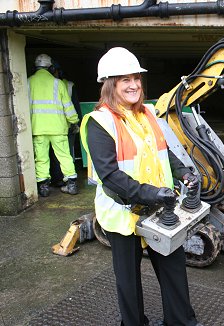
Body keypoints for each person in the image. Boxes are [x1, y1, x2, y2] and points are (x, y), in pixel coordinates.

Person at [79, 47, 201, 326]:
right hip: (123, 214)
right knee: (129, 282)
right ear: (111, 85)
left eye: (136, 78)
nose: (134, 85)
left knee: (174, 272)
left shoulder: (147, 113)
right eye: (125, 80)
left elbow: (163, 151)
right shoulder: (99, 123)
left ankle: (181, 322)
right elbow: (110, 176)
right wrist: (153, 194)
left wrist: (183, 172)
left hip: (160, 210)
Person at [28, 53, 79, 197]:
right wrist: (74, 121)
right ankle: (72, 184)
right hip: (58, 128)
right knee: (64, 156)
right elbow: (68, 106)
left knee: (41, 157)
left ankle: (43, 187)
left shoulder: (28, 82)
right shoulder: (58, 83)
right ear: (51, 68)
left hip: (38, 128)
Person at [48, 60, 82, 187]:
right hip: (65, 126)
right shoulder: (67, 85)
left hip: (46, 127)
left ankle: (57, 179)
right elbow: (74, 106)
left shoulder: (66, 85)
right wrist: (76, 122)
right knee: (66, 154)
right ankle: (66, 179)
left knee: (52, 155)